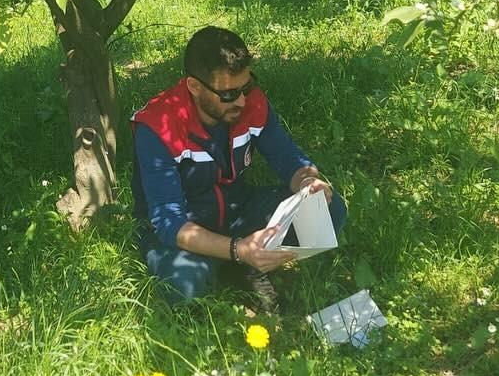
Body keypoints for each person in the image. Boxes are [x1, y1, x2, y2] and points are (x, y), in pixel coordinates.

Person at [131, 26, 348, 309]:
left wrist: (308, 182)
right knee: (185, 288)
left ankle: (245, 265)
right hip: (184, 232)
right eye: (229, 93)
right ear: (194, 87)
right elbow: (168, 223)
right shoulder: (158, 126)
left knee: (328, 208)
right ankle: (239, 265)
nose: (242, 100)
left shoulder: (251, 103)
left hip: (238, 213)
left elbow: (289, 159)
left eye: (246, 87)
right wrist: (238, 249)